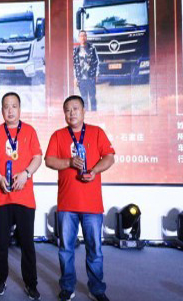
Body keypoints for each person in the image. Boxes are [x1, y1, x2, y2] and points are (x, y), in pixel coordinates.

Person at [45, 95, 115, 301]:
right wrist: (69, 162)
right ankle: (67, 287)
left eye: (75, 108)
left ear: (84, 111)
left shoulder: (97, 132)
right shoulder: (58, 135)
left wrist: (94, 171)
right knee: (66, 250)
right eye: (67, 110)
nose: (71, 113)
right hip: (67, 204)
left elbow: (109, 157)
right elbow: (49, 160)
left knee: (95, 250)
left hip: (92, 205)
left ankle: (97, 289)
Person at [0, 92, 42, 300]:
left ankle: (31, 284)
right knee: (1, 243)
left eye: (14, 106)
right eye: (6, 107)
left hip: (25, 198)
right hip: (2, 197)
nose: (10, 110)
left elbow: (38, 157)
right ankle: (0, 281)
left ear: (19, 109)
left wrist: (26, 173)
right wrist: (0, 177)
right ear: (2, 110)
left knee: (27, 243)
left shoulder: (29, 131)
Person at [73, 31, 99, 111]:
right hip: (81, 78)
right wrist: (75, 78)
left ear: (86, 37)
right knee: (84, 99)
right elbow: (74, 65)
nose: (82, 38)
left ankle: (94, 113)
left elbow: (97, 61)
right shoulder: (76, 50)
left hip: (90, 77)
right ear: (78, 38)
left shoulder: (92, 48)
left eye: (84, 36)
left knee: (92, 97)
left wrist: (96, 75)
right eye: (81, 36)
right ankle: (86, 114)